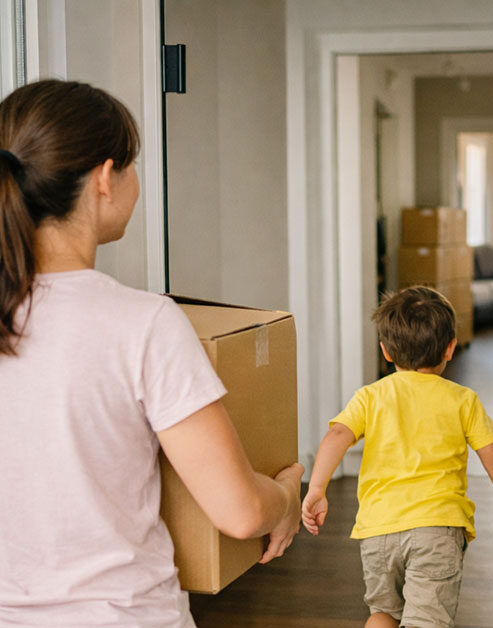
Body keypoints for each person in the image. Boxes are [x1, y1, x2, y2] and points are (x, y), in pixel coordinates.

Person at [0, 79, 303, 627]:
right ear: (103, 179)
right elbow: (239, 511)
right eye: (132, 165)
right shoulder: (143, 324)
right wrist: (285, 497)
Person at [302, 286, 493, 628]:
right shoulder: (463, 400)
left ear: (386, 352)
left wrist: (316, 489)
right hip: (436, 530)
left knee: (383, 614)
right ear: (450, 348)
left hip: (378, 530)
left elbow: (337, 435)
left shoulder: (370, 396)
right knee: (426, 620)